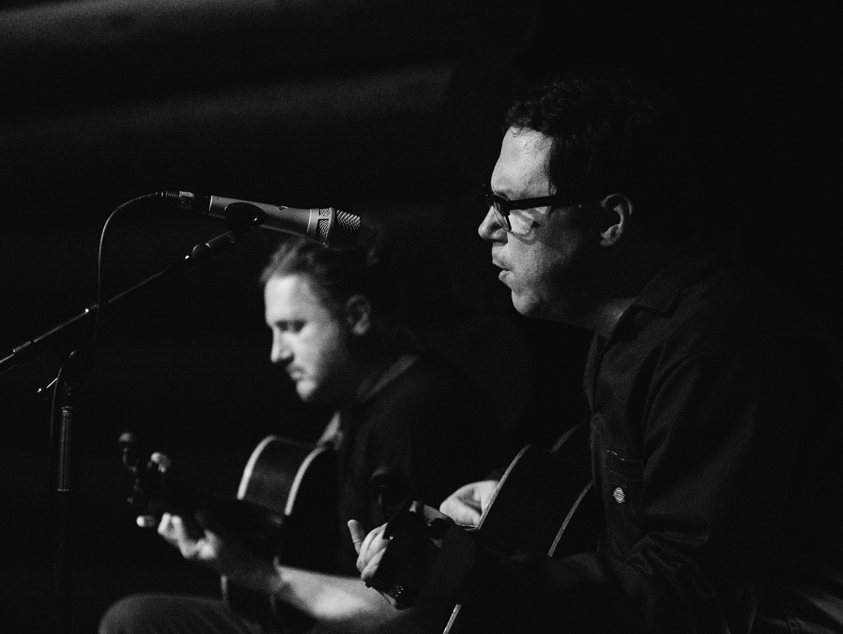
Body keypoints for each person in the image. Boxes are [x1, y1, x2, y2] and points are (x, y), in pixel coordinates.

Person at [351, 73, 843, 633]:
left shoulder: (715, 344)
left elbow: (693, 600)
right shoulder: (626, 336)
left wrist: (476, 576)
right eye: (491, 201)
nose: (487, 226)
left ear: (611, 220)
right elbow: (640, 521)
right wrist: (514, 501)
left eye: (512, 205)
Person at [101, 226, 503, 633]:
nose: (278, 353)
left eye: (293, 327)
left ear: (358, 316)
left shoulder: (416, 415)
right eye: (273, 331)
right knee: (138, 619)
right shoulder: (363, 399)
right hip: (324, 616)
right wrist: (195, 506)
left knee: (133, 623)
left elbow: (413, 611)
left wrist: (258, 575)